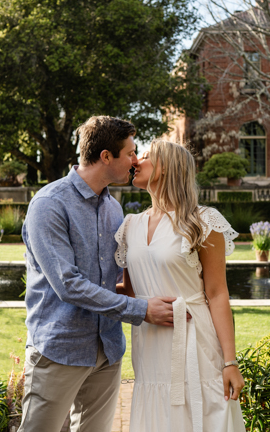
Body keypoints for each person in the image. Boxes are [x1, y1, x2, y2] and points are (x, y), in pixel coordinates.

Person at [19, 116, 178, 432]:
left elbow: (112, 279)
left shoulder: (113, 208)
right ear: (106, 156)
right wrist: (142, 309)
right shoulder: (49, 204)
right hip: (59, 349)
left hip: (108, 350)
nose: (135, 161)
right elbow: (69, 285)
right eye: (130, 153)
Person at [115, 139, 245, 432]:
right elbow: (131, 291)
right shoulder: (130, 225)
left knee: (203, 413)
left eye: (145, 156)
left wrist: (229, 362)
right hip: (149, 344)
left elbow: (217, 293)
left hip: (195, 340)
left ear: (165, 167)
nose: (136, 161)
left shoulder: (202, 221)